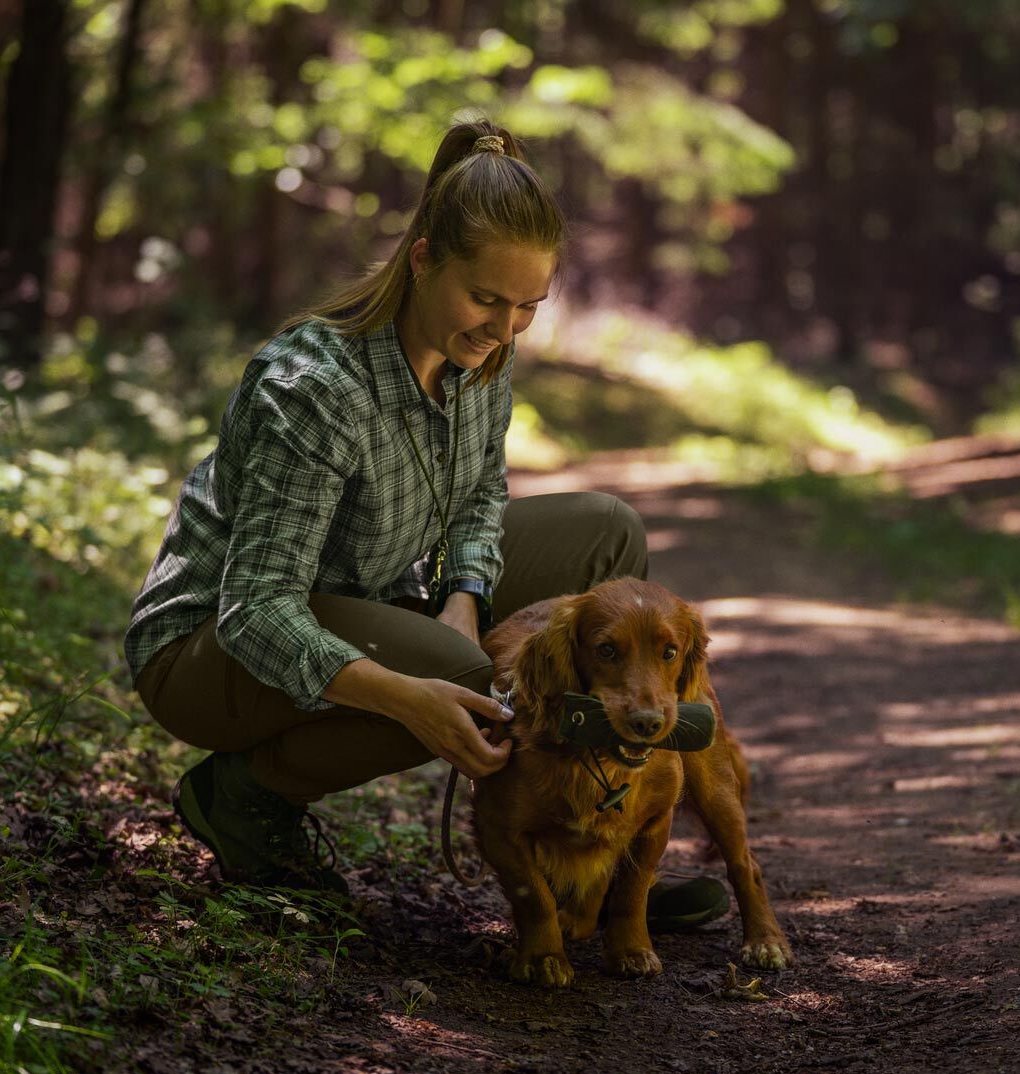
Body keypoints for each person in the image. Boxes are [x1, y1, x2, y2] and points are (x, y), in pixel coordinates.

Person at [124, 118, 727, 931]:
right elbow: (256, 609)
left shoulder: (481, 357)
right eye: (486, 299)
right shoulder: (314, 388)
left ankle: (594, 837)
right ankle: (243, 797)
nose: (504, 330)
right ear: (421, 259)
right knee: (462, 678)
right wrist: (411, 698)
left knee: (607, 534)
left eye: (528, 307)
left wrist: (465, 595)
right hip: (209, 653)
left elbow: (480, 496)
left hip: (366, 595)